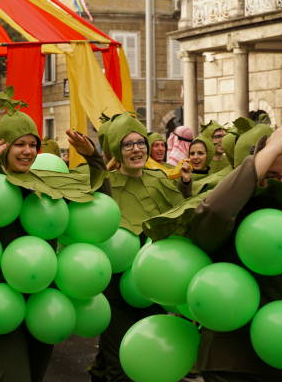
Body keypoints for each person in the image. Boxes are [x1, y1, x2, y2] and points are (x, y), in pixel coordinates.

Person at [145, 114, 282, 382]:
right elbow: (215, 212)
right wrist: (263, 157)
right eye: (271, 174)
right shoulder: (230, 215)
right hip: (233, 361)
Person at [0, 108, 106, 382]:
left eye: (32, 144)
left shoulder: (48, 182)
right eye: (19, 144)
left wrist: (93, 157)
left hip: (43, 295)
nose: (27, 151)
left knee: (32, 375)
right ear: (3, 147)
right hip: (0, 299)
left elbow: (100, 199)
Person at [89, 113, 191, 382]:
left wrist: (187, 185)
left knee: (153, 356)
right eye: (127, 144)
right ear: (117, 151)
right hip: (114, 288)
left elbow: (180, 218)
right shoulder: (106, 183)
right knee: (119, 363)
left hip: (152, 287)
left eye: (140, 142)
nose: (136, 149)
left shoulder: (159, 180)